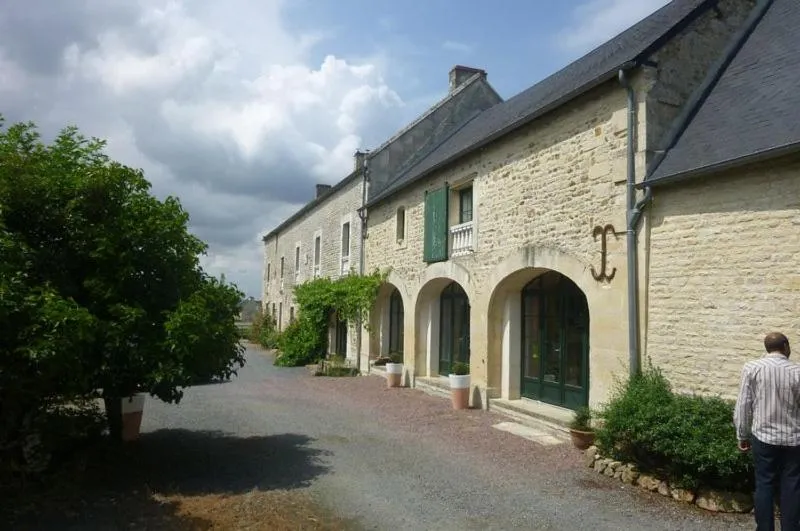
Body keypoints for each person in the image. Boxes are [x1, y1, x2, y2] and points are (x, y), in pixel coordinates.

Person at [734, 332, 800, 531]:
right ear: (786, 346)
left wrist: (742, 434)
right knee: (793, 486)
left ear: (767, 348)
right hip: (794, 439)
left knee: (764, 484)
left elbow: (744, 405)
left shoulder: (752, 368)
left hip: (763, 437)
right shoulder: (798, 371)